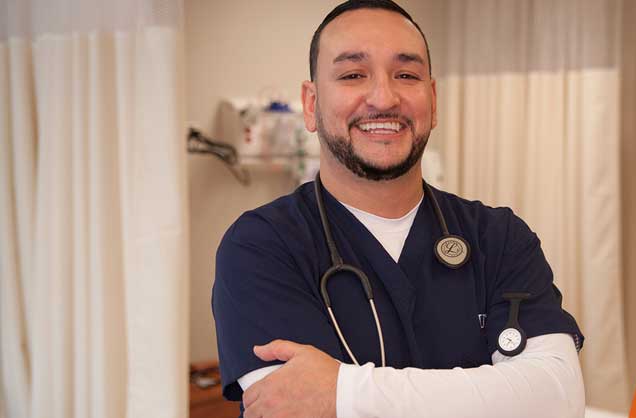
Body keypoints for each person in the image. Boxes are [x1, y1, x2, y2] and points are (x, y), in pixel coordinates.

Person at [212, 1, 585, 417]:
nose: (383, 97)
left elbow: (557, 398)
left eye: (406, 75)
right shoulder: (262, 244)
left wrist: (343, 393)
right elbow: (290, 407)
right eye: (353, 74)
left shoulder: (499, 237)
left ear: (433, 99)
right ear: (312, 104)